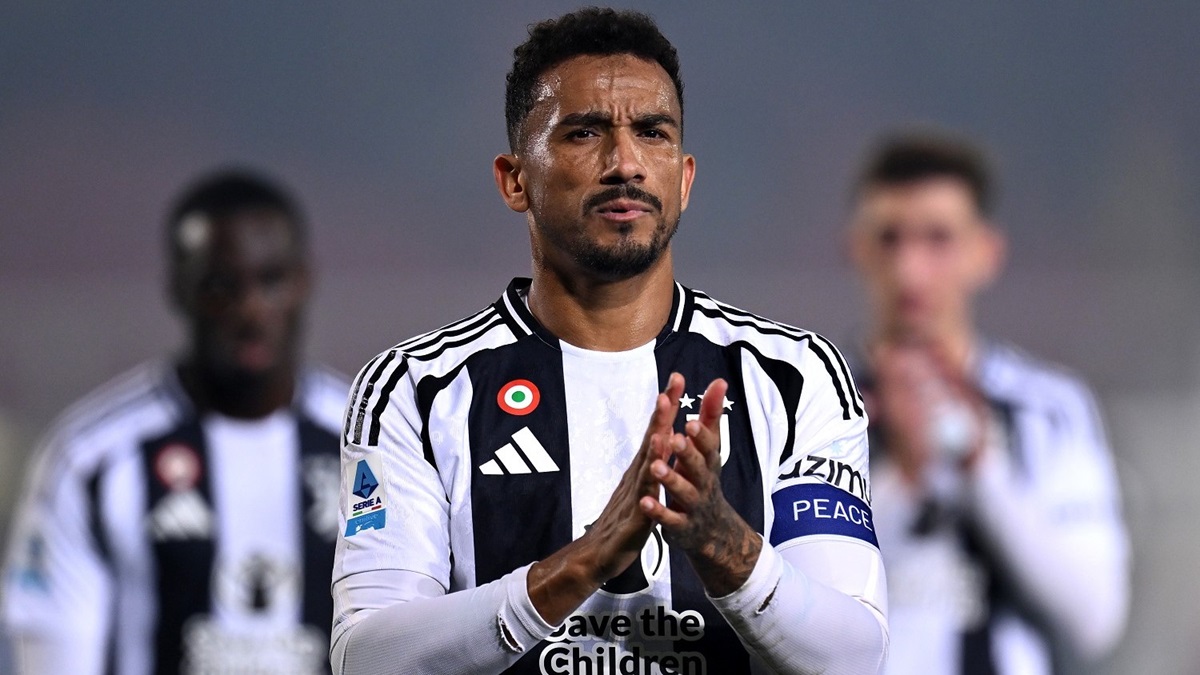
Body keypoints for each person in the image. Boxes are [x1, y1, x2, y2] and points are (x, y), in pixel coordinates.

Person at [331, 8, 888, 675]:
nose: (625, 163)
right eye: (584, 132)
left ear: (684, 178)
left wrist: (724, 543)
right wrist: (583, 562)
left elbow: (856, 656)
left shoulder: (794, 378)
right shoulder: (417, 390)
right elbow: (367, 657)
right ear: (514, 180)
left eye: (652, 132)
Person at [1, 170, 350, 674]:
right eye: (221, 286)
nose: (251, 311)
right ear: (179, 290)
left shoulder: (373, 441)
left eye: (272, 280)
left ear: (304, 282)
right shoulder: (92, 459)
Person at [844, 132, 1130, 674]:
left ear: (986, 254)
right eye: (889, 238)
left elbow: (1096, 620)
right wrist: (905, 477)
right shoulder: (811, 403)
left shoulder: (1049, 410)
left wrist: (983, 468)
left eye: (938, 239)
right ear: (857, 249)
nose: (910, 270)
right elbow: (786, 609)